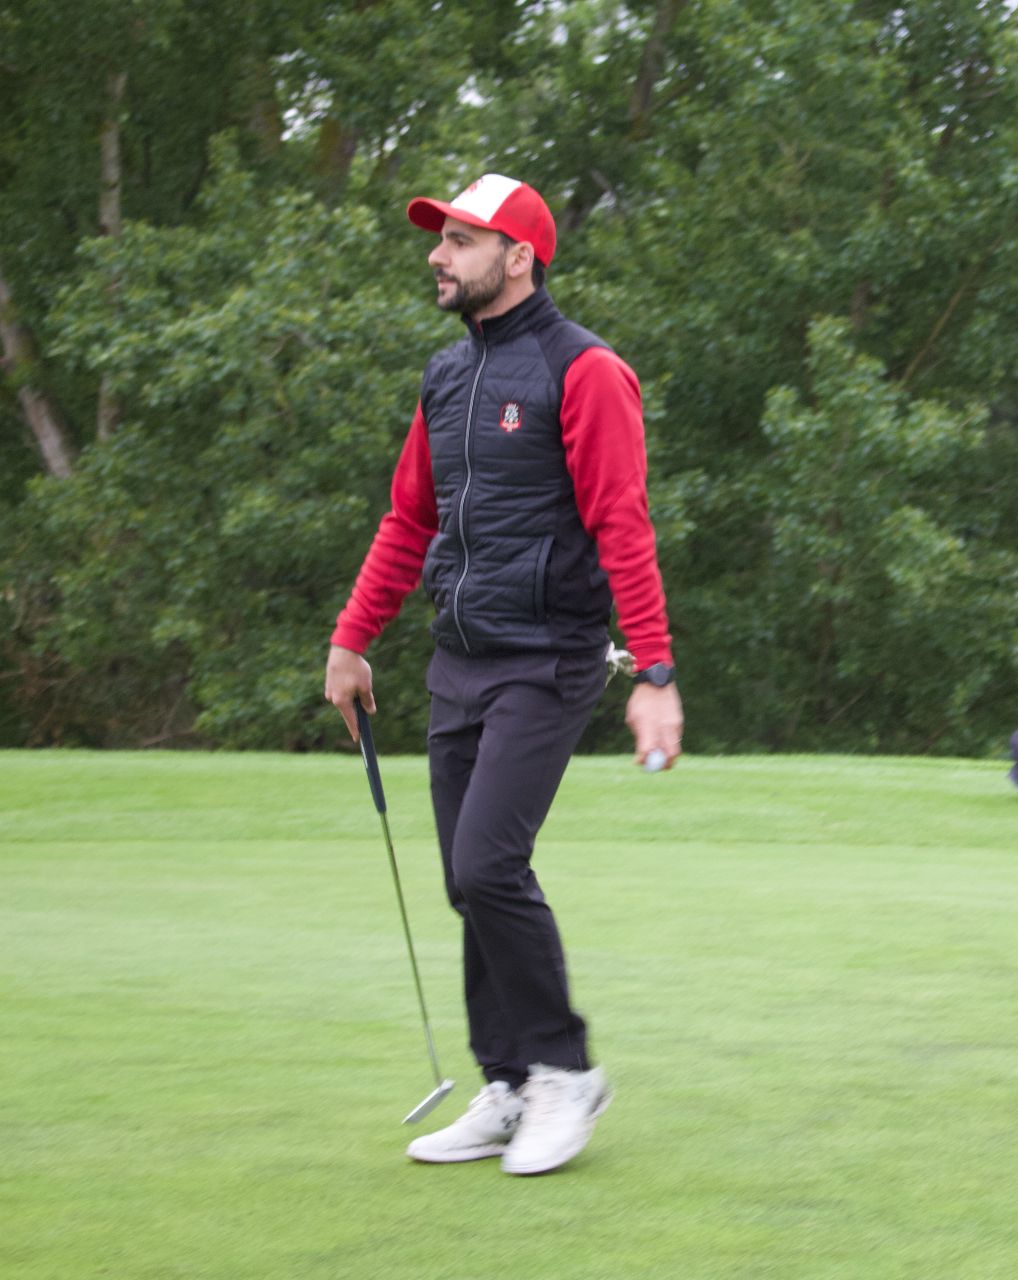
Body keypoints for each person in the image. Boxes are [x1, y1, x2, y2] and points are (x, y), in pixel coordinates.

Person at [322, 173, 683, 1175]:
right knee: (465, 880)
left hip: (551, 659)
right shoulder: (446, 377)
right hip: (460, 660)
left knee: (488, 863)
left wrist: (652, 669)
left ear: (518, 256)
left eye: (461, 239)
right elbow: (409, 519)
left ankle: (566, 1071)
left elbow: (624, 524)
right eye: (440, 239)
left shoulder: (587, 371)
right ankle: (510, 1078)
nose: (439, 254)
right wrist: (354, 639)